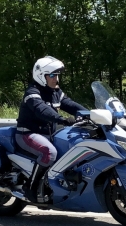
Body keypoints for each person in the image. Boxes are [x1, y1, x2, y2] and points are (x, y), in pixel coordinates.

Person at [15, 56, 88, 203]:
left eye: (58, 75)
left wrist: (91, 114)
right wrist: (62, 119)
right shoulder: (32, 93)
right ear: (42, 76)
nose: (57, 79)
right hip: (28, 133)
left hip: (48, 135)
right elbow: (41, 110)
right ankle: (31, 187)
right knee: (49, 152)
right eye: (53, 75)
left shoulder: (55, 92)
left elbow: (70, 104)